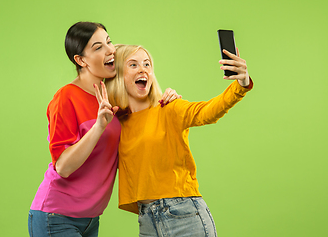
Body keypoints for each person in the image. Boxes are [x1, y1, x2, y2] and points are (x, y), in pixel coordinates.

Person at [28, 22, 180, 237]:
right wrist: (99, 126)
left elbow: (142, 126)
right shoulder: (66, 98)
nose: (110, 50)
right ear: (81, 60)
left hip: (91, 219)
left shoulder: (115, 97)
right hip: (56, 216)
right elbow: (62, 166)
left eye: (109, 42)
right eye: (98, 47)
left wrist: (167, 99)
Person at [104, 44, 253, 237]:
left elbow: (207, 112)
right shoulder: (116, 124)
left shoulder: (169, 108)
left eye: (147, 64)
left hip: (183, 214)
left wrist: (241, 85)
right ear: (118, 75)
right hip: (147, 219)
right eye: (133, 65)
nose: (143, 70)